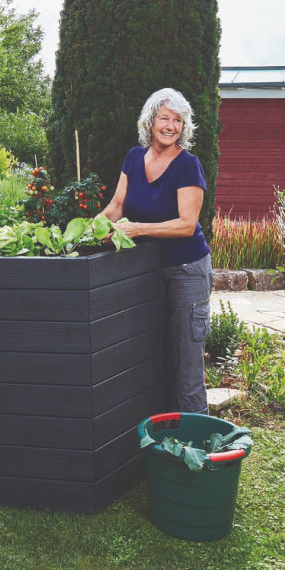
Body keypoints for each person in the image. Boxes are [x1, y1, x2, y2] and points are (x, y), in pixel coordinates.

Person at [100, 87, 212, 414]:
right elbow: (118, 205)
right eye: (165, 117)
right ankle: (163, 438)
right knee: (153, 356)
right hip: (146, 271)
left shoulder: (187, 165)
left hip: (186, 270)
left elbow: (186, 224)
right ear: (151, 121)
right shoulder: (134, 158)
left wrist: (138, 229)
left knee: (186, 364)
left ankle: (196, 445)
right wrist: (90, 228)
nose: (171, 125)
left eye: (178, 120)